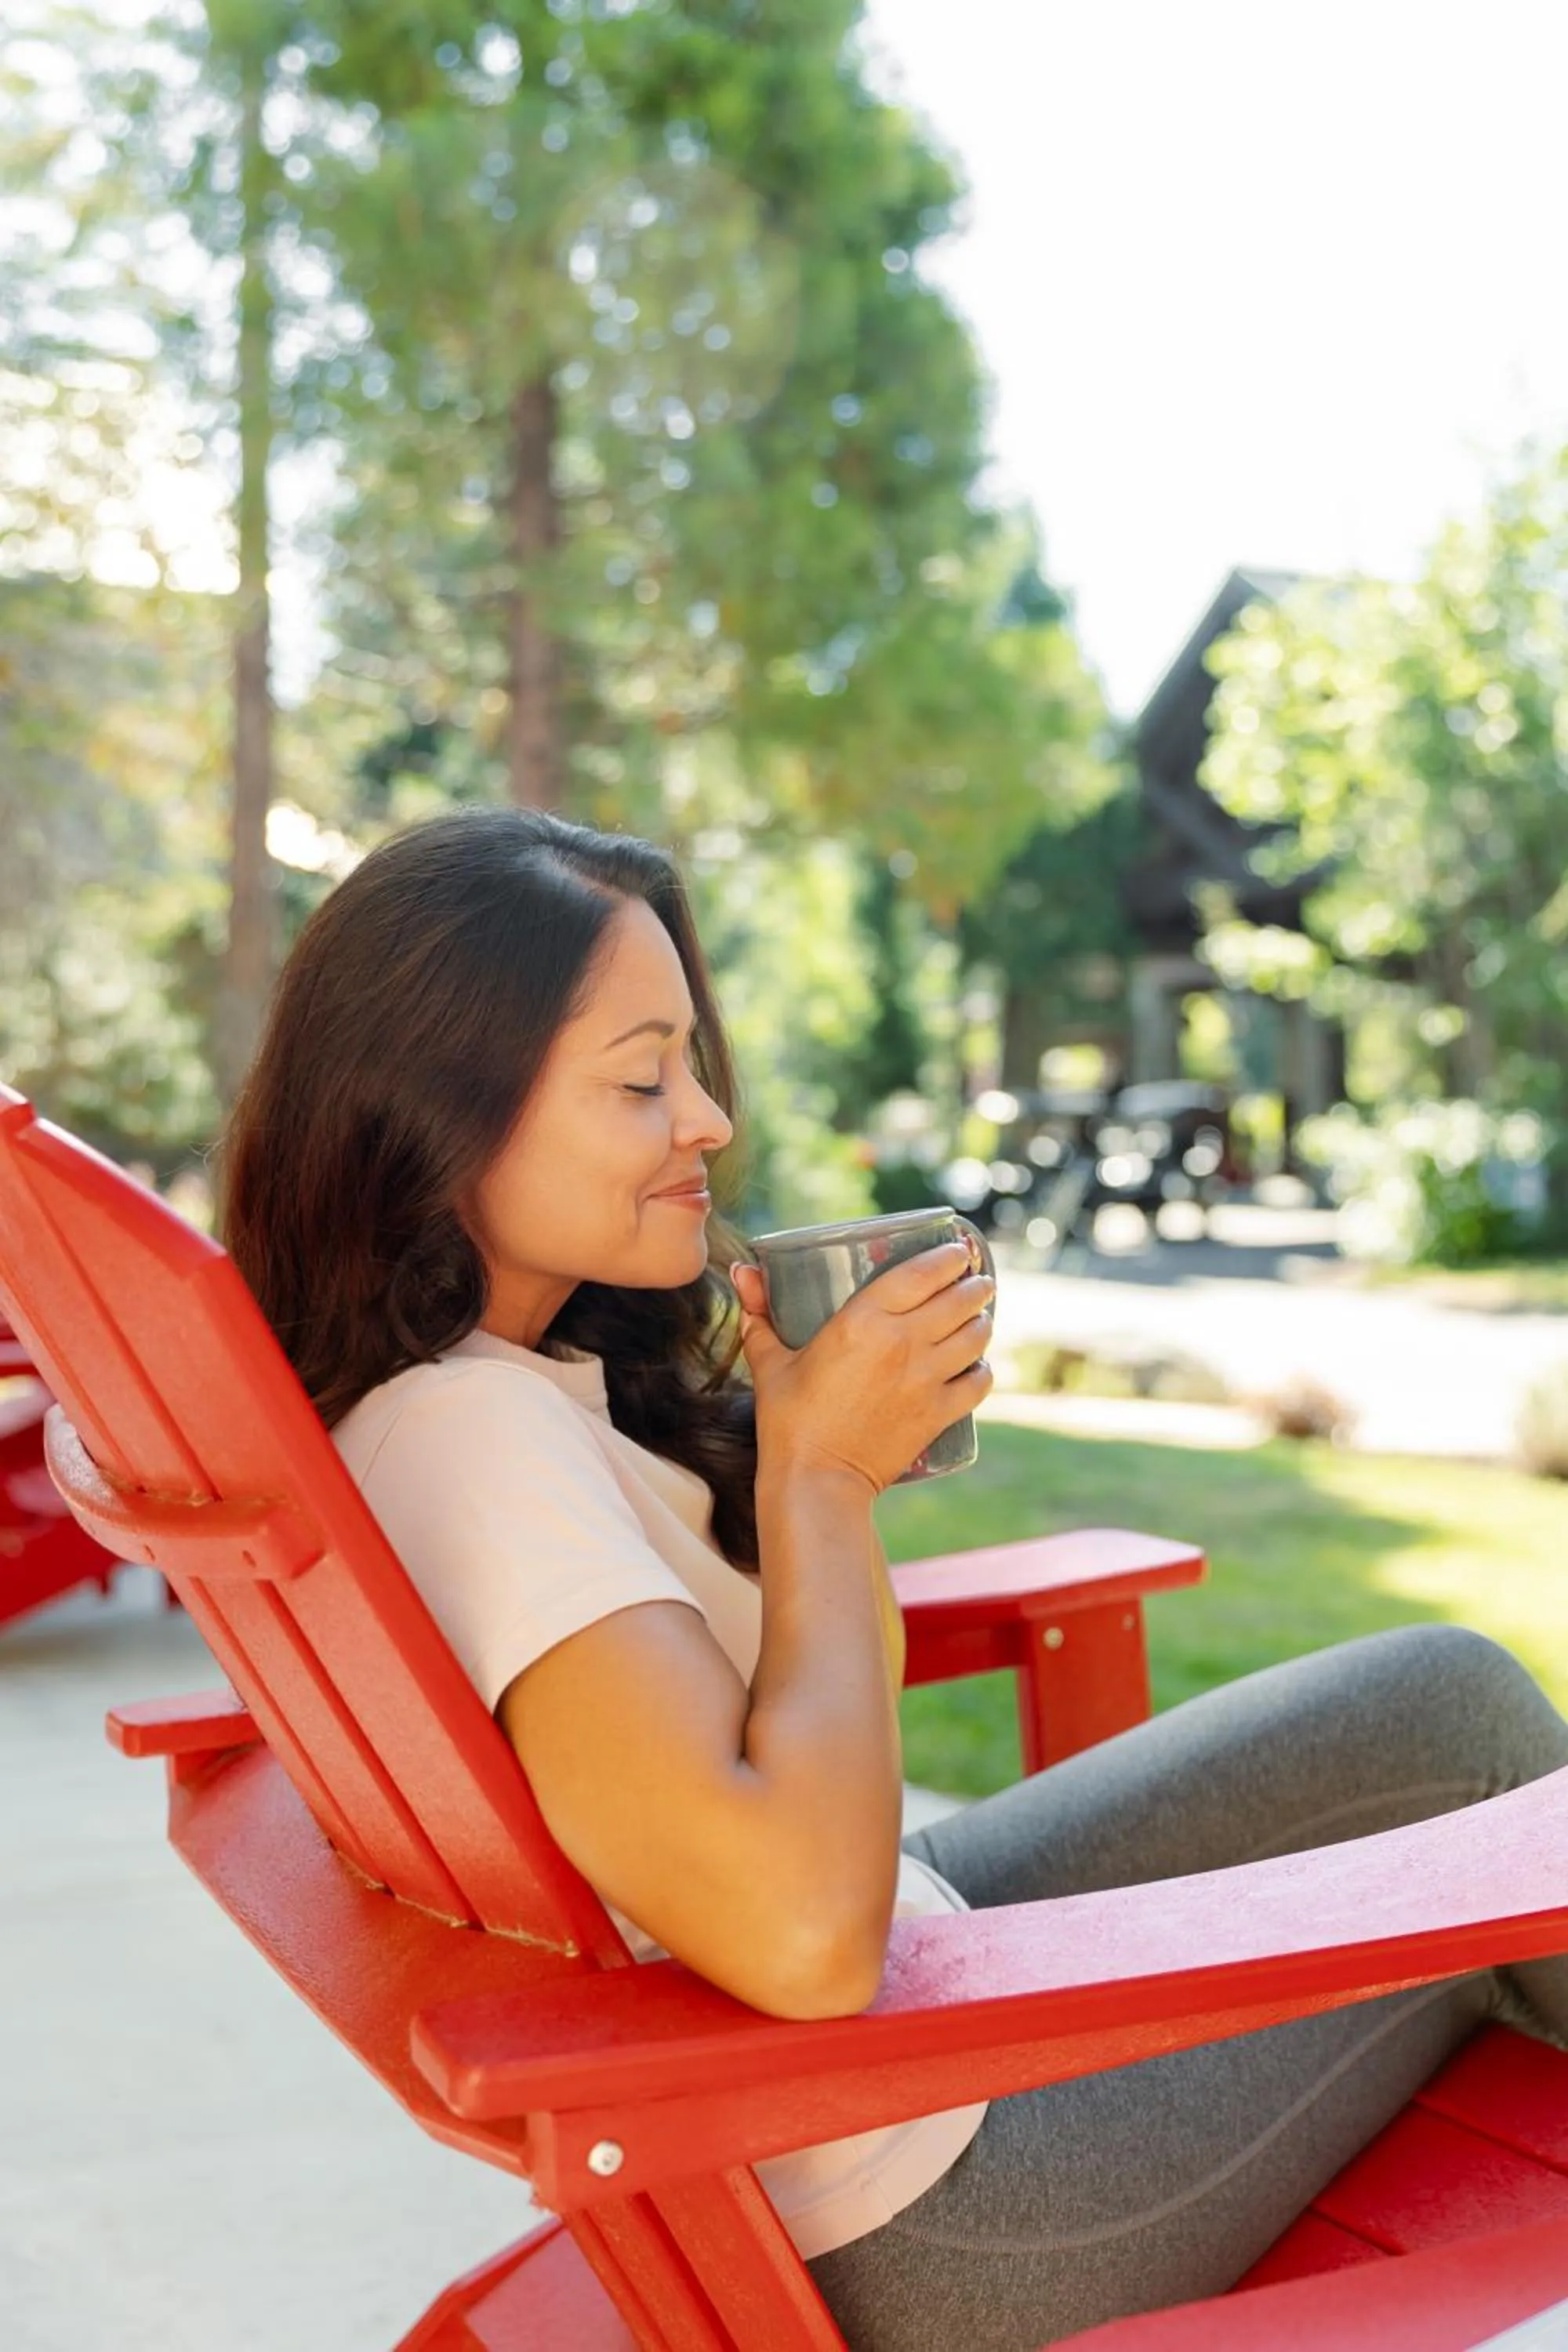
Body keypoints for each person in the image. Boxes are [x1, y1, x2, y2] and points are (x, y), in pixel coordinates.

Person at [220, 805, 1568, 2352]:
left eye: (694, 1066)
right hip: (949, 2209)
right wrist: (817, 1479)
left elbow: (780, 1831)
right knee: (1499, 1870)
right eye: (641, 1078)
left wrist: (817, 1468)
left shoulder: (500, 1394)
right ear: (441, 1108)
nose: (709, 1119)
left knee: (1442, 1711)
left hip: (888, 2043)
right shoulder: (469, 1441)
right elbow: (799, 1938)